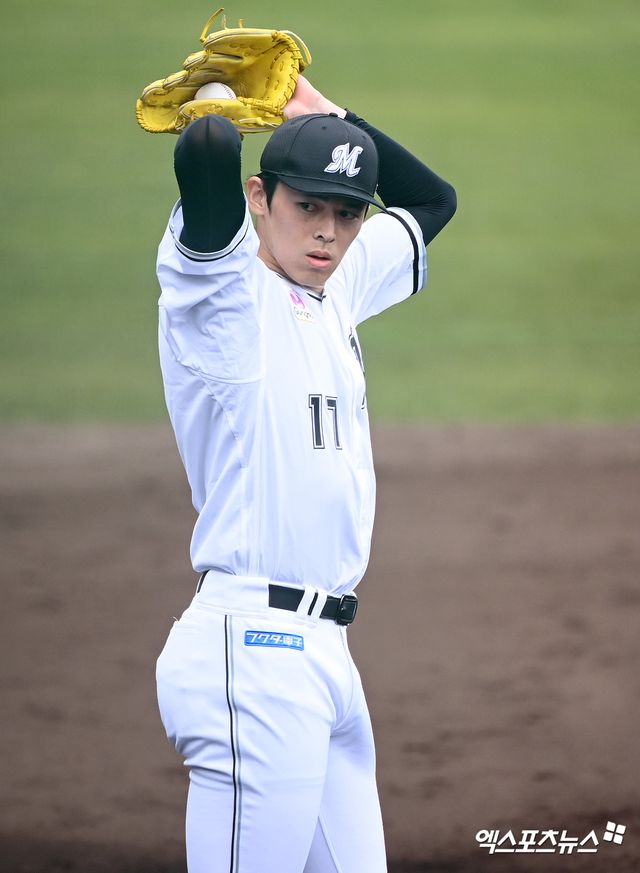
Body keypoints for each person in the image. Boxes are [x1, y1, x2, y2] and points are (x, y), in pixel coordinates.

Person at [154, 75, 456, 873]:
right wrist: (218, 103)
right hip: (248, 652)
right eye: (307, 207)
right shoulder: (219, 292)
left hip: (327, 660)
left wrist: (327, 118)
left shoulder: (339, 286)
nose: (327, 232)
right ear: (261, 197)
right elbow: (209, 153)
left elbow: (433, 202)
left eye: (346, 212)